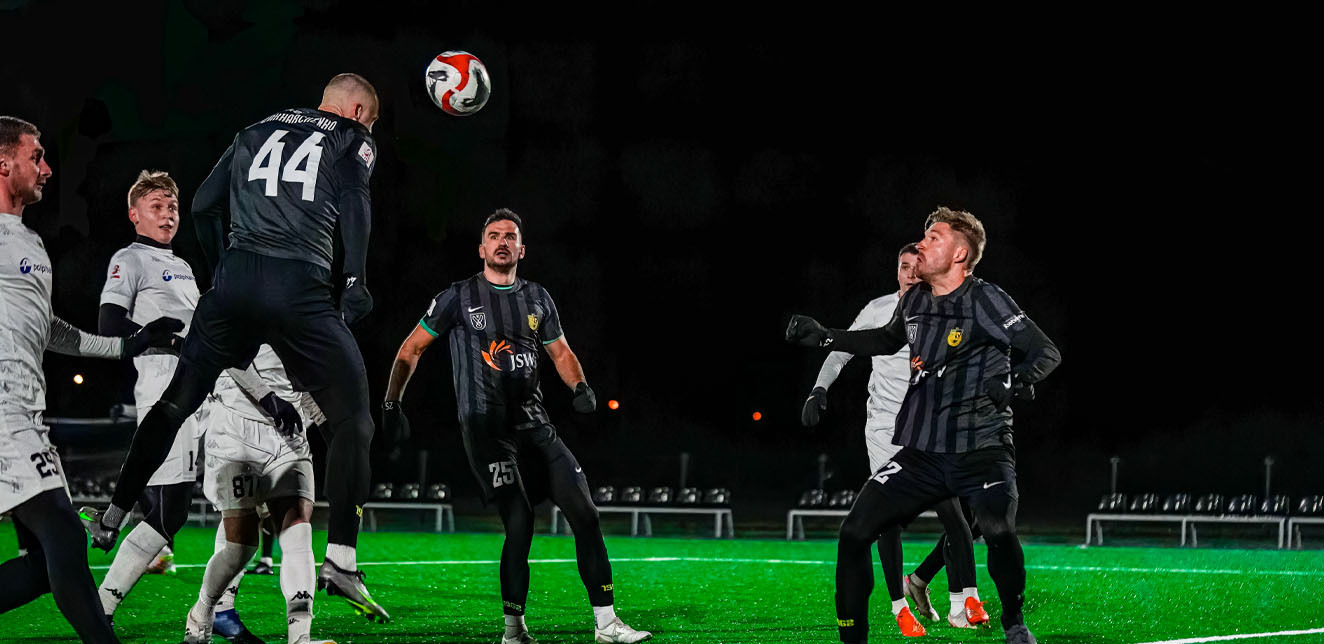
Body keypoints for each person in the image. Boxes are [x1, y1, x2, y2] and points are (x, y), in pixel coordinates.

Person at [81, 73, 389, 622]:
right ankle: (342, 558)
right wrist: (355, 279)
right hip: (299, 284)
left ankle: (113, 514)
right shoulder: (351, 136)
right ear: (359, 110)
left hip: (234, 286)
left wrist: (225, 267)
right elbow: (355, 199)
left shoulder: (255, 129)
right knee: (354, 422)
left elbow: (204, 204)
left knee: (173, 404)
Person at [786, 207, 1062, 644]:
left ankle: (1013, 621)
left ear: (959, 254)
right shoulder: (913, 301)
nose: (921, 243)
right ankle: (857, 636)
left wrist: (1016, 378)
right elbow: (885, 339)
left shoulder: (986, 299)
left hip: (980, 446)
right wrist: (826, 336)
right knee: (854, 532)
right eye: (923, 236)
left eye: (933, 238)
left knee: (996, 528)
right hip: (922, 450)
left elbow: (1045, 351)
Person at [381, 209, 651, 644]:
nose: (502, 241)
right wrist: (392, 404)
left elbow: (560, 352)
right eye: (494, 236)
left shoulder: (538, 297)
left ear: (522, 249)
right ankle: (514, 631)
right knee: (520, 521)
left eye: (510, 236)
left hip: (536, 426)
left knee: (585, 513)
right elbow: (411, 349)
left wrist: (580, 386)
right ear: (482, 248)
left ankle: (606, 624)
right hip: (487, 432)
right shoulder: (457, 297)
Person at [93, 170, 298, 642]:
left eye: (172, 207)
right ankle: (101, 603)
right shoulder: (129, 259)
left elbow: (212, 343)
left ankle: (221, 608)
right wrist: (154, 339)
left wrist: (266, 396)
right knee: (170, 513)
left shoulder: (183, 267)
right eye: (156, 206)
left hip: (211, 395)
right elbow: (109, 323)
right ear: (134, 214)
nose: (168, 214)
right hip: (167, 394)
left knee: (242, 499)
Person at [0, 115, 180, 643]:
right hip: (5, 412)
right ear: (3, 163)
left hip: (27, 411)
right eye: (36, 157)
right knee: (63, 534)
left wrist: (128, 345)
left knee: (44, 563)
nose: (47, 169)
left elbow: (50, 329)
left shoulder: (29, 242)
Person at [802, 243, 983, 635]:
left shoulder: (942, 312)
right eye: (904, 267)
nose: (911, 273)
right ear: (897, 271)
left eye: (918, 267)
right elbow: (841, 352)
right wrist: (819, 389)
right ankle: (900, 606)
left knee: (961, 517)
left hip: (928, 430)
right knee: (887, 521)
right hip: (885, 430)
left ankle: (945, 595)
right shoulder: (878, 309)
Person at [182, 345, 329, 644]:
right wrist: (268, 398)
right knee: (241, 547)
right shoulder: (240, 311)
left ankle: (300, 637)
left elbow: (308, 373)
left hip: (288, 431)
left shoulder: (314, 318)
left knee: (298, 530)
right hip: (236, 426)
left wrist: (331, 423)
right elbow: (228, 351)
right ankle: (203, 612)